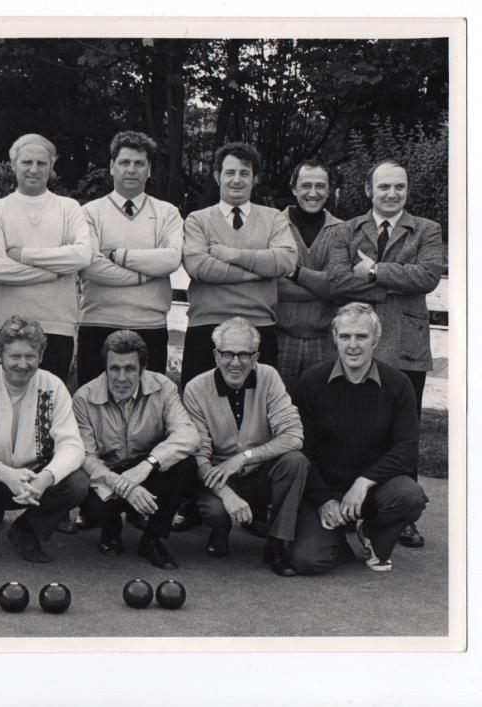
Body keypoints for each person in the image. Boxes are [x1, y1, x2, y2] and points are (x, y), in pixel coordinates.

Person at [325, 158, 443, 549]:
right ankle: (351, 500)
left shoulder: (427, 229)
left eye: (399, 187)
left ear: (407, 190)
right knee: (355, 425)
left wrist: (374, 271)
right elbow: (339, 281)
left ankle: (404, 516)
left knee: (402, 432)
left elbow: (426, 277)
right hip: (358, 345)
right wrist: (395, 279)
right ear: (368, 190)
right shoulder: (346, 229)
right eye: (384, 187)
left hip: (406, 346)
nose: (392, 194)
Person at [287, 304, 428, 574]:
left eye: (361, 337)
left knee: (410, 495)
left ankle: (371, 532)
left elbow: (407, 449)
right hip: (325, 488)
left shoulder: (398, 383)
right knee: (308, 559)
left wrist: (363, 483)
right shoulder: (311, 382)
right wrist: (323, 500)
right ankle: (336, 536)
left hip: (374, 488)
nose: (353, 345)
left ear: (376, 339)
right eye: (345, 336)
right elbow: (301, 449)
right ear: (334, 338)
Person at [0, 316, 88, 563]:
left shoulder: (54, 385)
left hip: (34, 482)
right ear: (0, 354)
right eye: (15, 356)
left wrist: (46, 478)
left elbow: (73, 446)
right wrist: (5, 474)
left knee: (77, 483)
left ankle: (26, 531)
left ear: (41, 356)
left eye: (30, 356)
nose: (22, 364)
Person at [183, 317, 308, 576]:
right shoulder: (195, 389)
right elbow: (199, 457)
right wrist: (227, 495)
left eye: (244, 355)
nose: (236, 362)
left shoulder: (269, 377)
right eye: (228, 353)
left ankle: (276, 544)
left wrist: (245, 457)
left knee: (296, 461)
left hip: (260, 473)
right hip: (219, 478)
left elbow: (294, 435)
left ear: (256, 357)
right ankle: (220, 530)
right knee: (215, 510)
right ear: (216, 355)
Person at [72, 330, 199, 569]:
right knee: (81, 485)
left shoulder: (164, 387)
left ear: (142, 368)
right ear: (105, 367)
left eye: (129, 369)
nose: (121, 377)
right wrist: (126, 487)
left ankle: (153, 538)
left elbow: (188, 435)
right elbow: (85, 456)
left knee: (186, 466)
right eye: (114, 368)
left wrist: (147, 466)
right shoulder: (84, 397)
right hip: (106, 476)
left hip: (145, 470)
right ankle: (110, 528)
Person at [180, 142, 297, 388]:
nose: (237, 180)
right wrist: (258, 272)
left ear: (254, 179)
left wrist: (232, 254)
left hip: (259, 326)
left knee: (257, 411)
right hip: (206, 327)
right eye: (230, 172)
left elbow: (286, 260)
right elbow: (200, 267)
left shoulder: (273, 218)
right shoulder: (198, 220)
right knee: (198, 412)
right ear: (216, 176)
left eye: (245, 173)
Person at [0, 133, 92, 384]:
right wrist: (54, 271)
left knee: (48, 410)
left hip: (56, 326)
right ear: (13, 165)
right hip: (3, 324)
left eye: (41, 163)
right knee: (2, 407)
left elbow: (83, 255)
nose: (33, 169)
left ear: (52, 167)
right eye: (26, 162)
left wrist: (24, 255)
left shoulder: (69, 208)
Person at [77, 130, 183, 385]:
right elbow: (89, 265)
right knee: (94, 409)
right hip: (98, 323)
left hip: (150, 326)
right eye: (124, 163)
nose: (131, 169)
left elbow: (170, 260)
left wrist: (115, 255)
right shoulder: (89, 212)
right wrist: (146, 272)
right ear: (112, 167)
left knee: (149, 408)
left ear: (150, 169)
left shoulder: (167, 212)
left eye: (139, 163)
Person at [275, 159, 344, 393]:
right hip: (280, 337)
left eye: (320, 186)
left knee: (321, 414)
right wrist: (321, 287)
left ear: (329, 190)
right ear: (294, 188)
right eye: (305, 185)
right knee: (277, 412)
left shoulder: (343, 231)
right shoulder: (273, 226)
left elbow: (338, 286)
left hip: (325, 341)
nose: (312, 193)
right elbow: (272, 286)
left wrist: (294, 273)